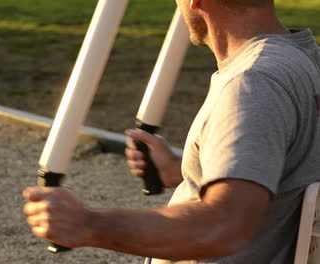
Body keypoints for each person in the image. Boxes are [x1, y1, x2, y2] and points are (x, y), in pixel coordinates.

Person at [23, 0, 320, 262]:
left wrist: (87, 225)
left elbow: (226, 226)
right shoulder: (306, 60)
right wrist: (187, 170)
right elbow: (293, 172)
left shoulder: (254, 82)